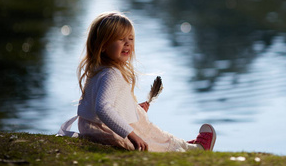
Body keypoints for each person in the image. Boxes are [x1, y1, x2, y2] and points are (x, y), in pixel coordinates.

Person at [57, 11, 216, 152]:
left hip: (91, 128)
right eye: (120, 39)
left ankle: (186, 147)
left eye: (130, 38)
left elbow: (104, 102)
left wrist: (131, 108)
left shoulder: (97, 69)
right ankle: (193, 150)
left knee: (141, 121)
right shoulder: (111, 74)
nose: (128, 43)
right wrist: (131, 135)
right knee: (149, 135)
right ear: (103, 45)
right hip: (106, 130)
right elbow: (103, 108)